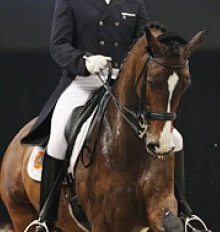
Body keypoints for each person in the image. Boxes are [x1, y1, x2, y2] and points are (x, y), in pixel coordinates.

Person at [22, 0, 187, 230]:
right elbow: (58, 45)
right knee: (59, 135)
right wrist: (85, 61)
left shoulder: (134, 4)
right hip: (83, 82)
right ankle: (46, 218)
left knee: (175, 138)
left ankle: (186, 213)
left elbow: (143, 46)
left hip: (122, 85)